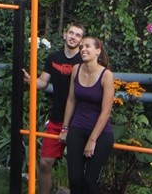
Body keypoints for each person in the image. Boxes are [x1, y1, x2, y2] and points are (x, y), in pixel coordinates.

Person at [22, 23, 85, 194]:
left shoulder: (84, 60)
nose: (73, 37)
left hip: (78, 121)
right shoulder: (53, 58)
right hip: (57, 117)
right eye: (71, 33)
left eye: (78, 35)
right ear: (64, 35)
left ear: (81, 40)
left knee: (77, 169)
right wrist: (31, 80)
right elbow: (42, 83)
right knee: (45, 163)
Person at [58, 37, 115, 194]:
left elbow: (106, 111)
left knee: (90, 182)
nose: (83, 49)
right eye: (81, 46)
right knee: (75, 180)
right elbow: (71, 99)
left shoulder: (106, 75)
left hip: (100, 133)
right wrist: (65, 127)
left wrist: (92, 140)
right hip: (77, 128)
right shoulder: (76, 69)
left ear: (98, 51)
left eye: (87, 46)